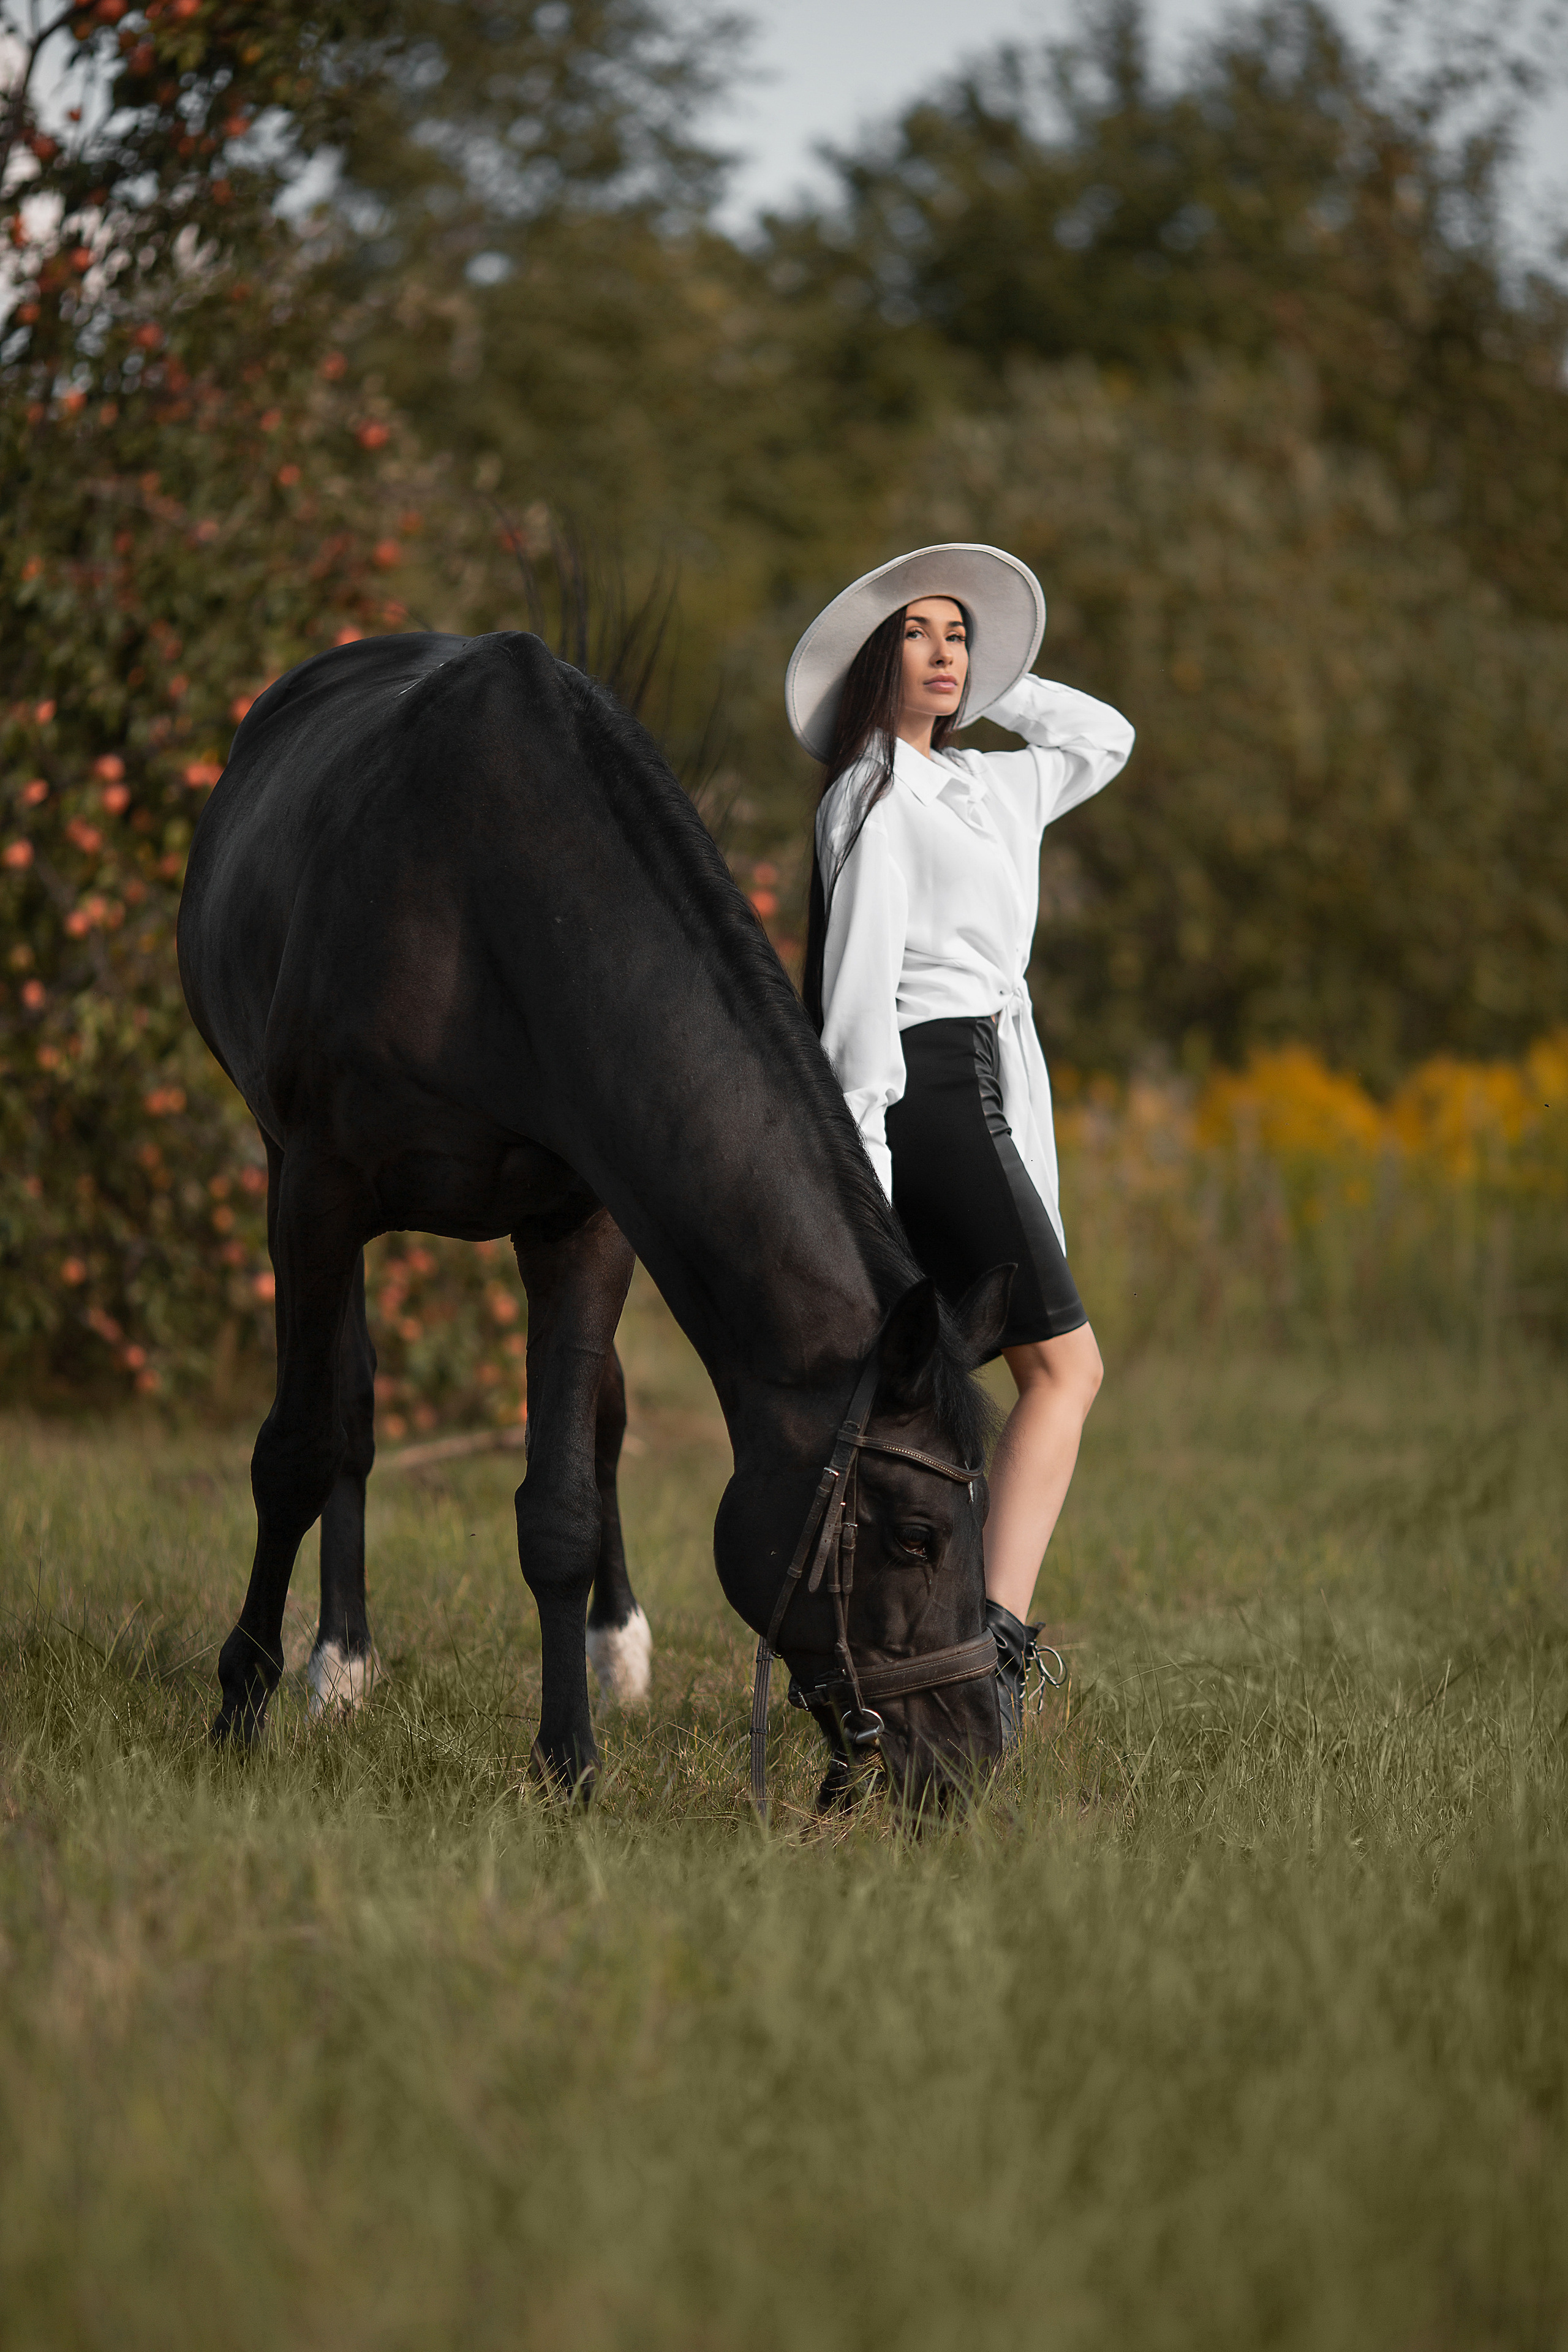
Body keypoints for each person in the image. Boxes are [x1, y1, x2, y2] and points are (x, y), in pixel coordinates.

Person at [787, 543, 1134, 1740]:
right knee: (1064, 1370)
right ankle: (991, 1661)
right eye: (917, 633)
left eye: (959, 635)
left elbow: (1102, 739)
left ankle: (925, 1655)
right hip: (924, 1090)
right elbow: (854, 1008)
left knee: (957, 1394)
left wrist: (999, 680)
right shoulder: (869, 794)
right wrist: (864, 1190)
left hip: (990, 1074)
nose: (944, 653)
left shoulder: (988, 785)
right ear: (872, 659)